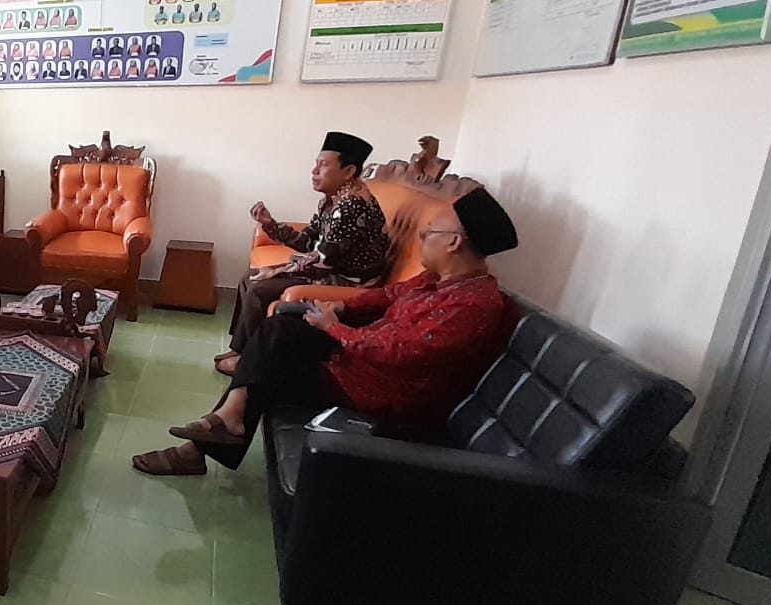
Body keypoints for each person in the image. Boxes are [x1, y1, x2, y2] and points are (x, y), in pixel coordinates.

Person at [132, 188, 519, 476]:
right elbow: (387, 295)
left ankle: (206, 440)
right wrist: (344, 308)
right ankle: (223, 422)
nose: (421, 239)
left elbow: (401, 352)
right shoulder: (437, 279)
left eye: (427, 233)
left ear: (453, 243)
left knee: (270, 361)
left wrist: (336, 329)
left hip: (383, 391)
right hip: (363, 362)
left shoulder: (473, 305)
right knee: (282, 327)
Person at [216, 132, 388, 377]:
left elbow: (324, 261)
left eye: (323, 165)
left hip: (348, 281)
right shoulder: (332, 200)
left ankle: (249, 360)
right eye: (316, 164)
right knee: (249, 277)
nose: (314, 171)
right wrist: (270, 224)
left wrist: (277, 270)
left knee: (259, 288)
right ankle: (240, 349)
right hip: (330, 269)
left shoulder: (352, 205)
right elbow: (307, 242)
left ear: (349, 171)